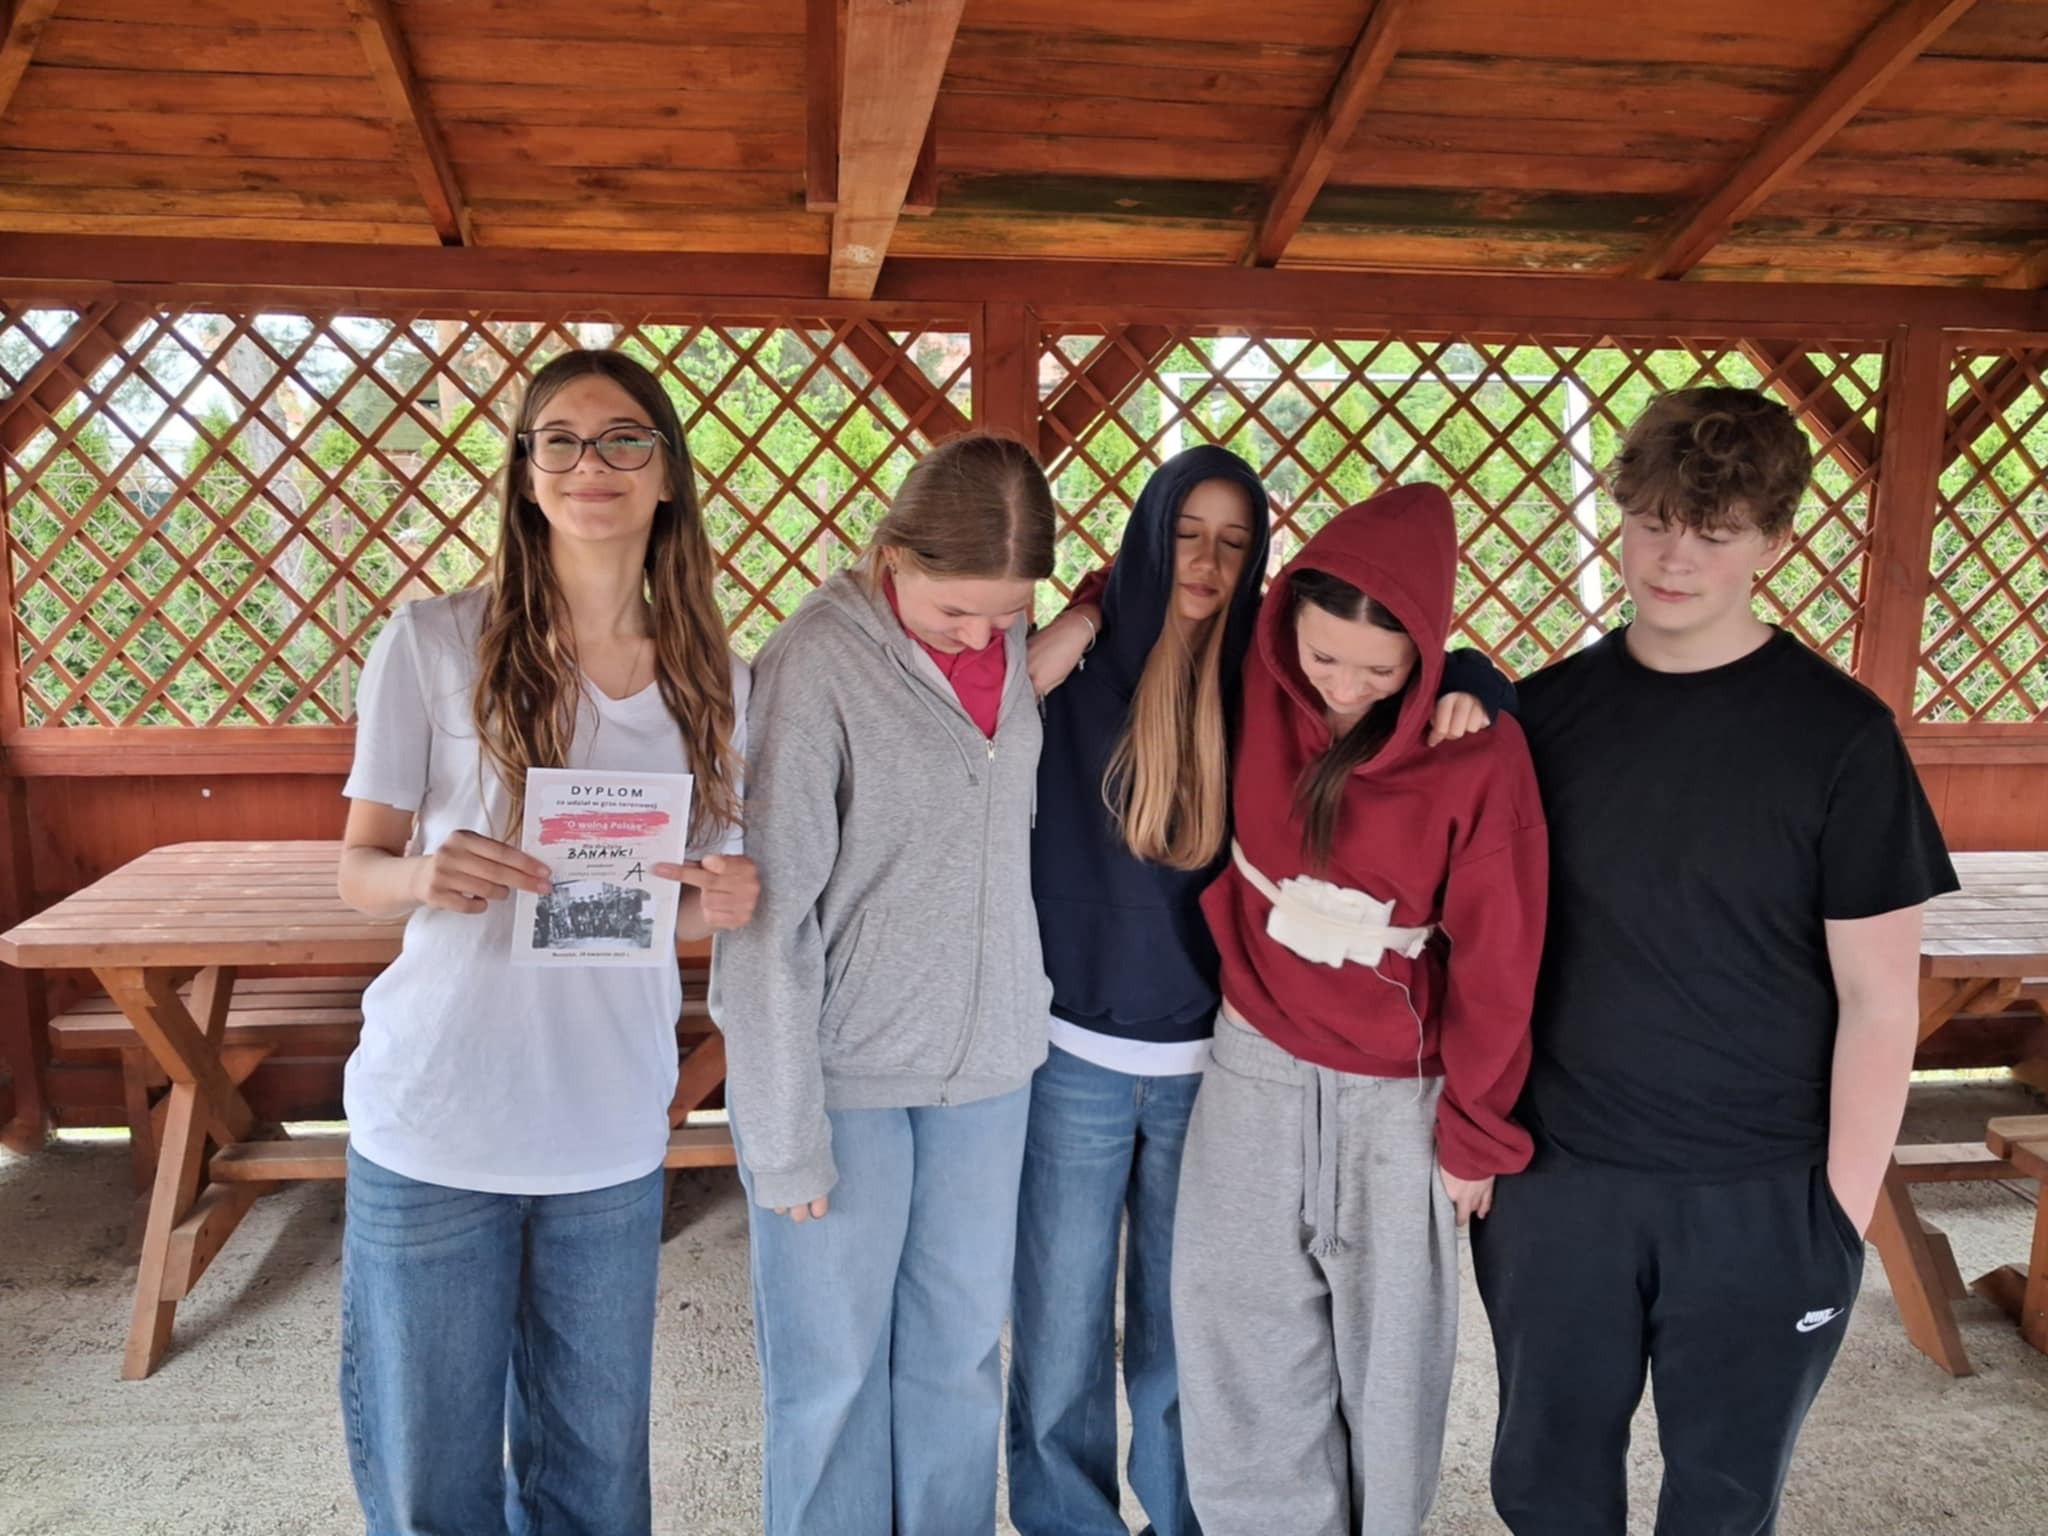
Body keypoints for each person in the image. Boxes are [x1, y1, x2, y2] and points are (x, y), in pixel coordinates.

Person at [1471, 387, 1959, 1536]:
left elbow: (1880, 1000)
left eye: (1712, 530)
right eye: (1650, 521)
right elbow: (1474, 948)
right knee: (1543, 1490)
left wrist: (1837, 1215)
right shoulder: (1536, 721)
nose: (1672, 556)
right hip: (1558, 1188)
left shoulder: (1840, 737)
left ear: (1771, 541)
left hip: (1762, 1197)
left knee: (1723, 1500)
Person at [1009, 449, 1513, 1536]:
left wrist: (1473, 680)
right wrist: (1086, 611)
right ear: (1148, 536)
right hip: (1079, 1052)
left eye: (1233, 544)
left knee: (1193, 1331)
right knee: (1055, 1326)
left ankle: (1189, 1519)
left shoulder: (1268, 674)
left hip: (1212, 1058)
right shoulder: (1073, 664)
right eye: (1185, 534)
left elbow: (1404, 660)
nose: (1205, 561)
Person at [333, 348, 759, 1536]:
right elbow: (357, 869)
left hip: (606, 1129)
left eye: (623, 438)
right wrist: (425, 873)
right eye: (558, 440)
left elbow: (669, 908)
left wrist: (720, 900)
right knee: (432, 1486)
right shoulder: (432, 642)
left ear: (666, 473)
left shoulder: (720, 683)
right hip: (437, 1120)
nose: (589, 463)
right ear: (525, 474)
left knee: (597, 1486)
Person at [1170, 481, 1547, 1536]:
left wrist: (1474, 1133)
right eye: (1324, 657)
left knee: (1390, 1365)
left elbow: (1501, 962)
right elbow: (1156, 582)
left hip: (1398, 1097)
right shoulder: (1256, 668)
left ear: (1423, 653)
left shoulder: (1477, 752)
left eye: (1380, 672)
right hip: (1253, 1065)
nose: (1342, 689)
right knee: (1236, 1336)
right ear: (1286, 617)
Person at [712, 432, 1058, 1536]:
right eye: (956, 610)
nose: (982, 636)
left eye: (1008, 613)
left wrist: (1071, 622)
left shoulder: (1009, 643)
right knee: (833, 1376)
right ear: (892, 553)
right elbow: (767, 914)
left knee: (958, 1358)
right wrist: (780, 1134)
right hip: (844, 1081)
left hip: (989, 1070)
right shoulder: (814, 663)